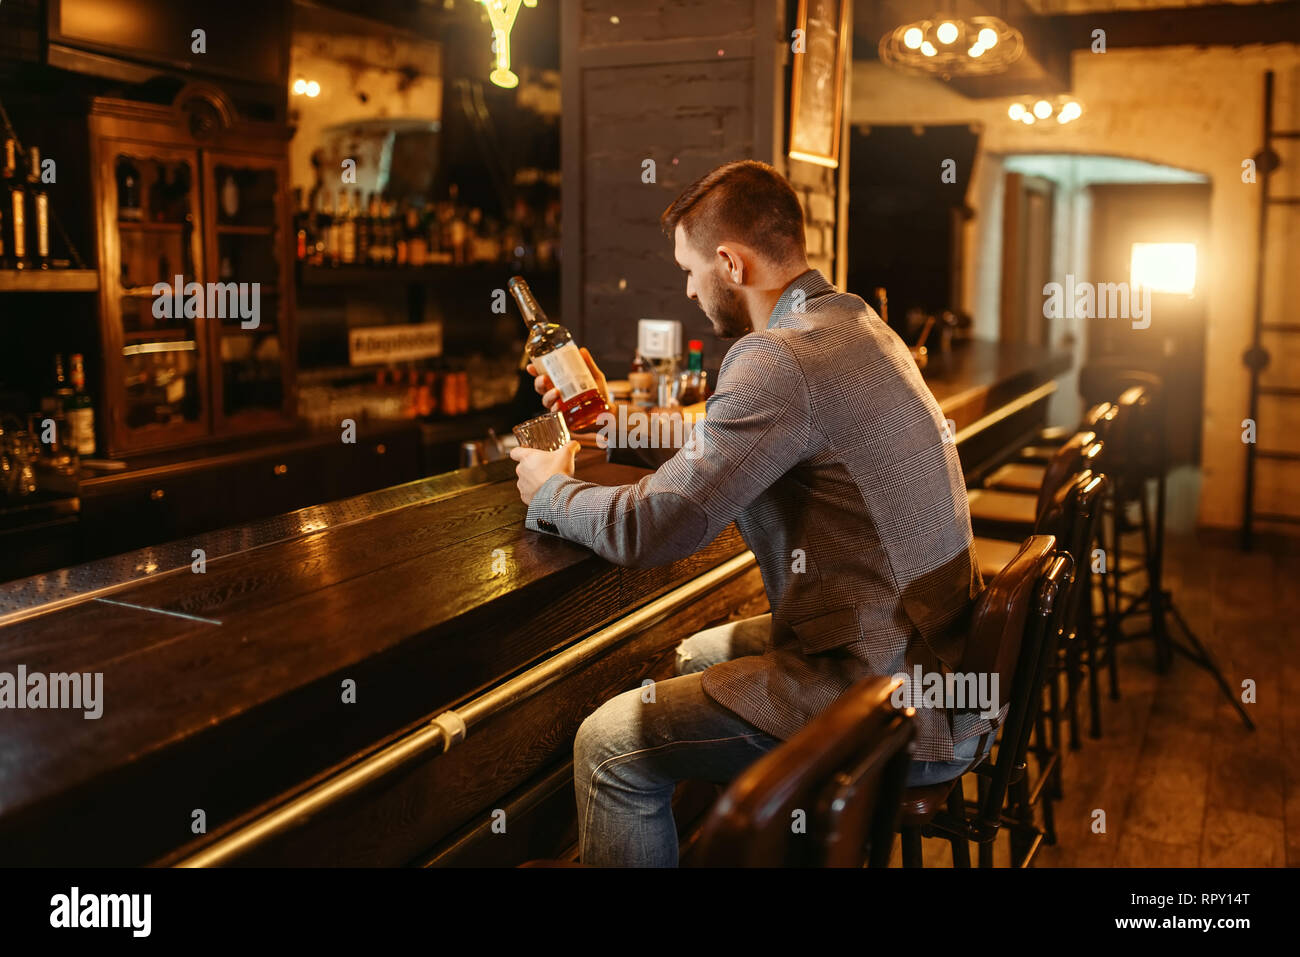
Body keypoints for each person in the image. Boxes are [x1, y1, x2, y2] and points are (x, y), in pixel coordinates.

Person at [509, 160, 992, 867]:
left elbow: (659, 526)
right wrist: (609, 426)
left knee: (608, 744)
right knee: (699, 652)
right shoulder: (853, 322)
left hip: (892, 708)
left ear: (730, 263)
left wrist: (550, 490)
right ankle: (737, 838)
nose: (688, 287)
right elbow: (724, 434)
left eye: (690, 268)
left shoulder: (777, 357)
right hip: (935, 664)